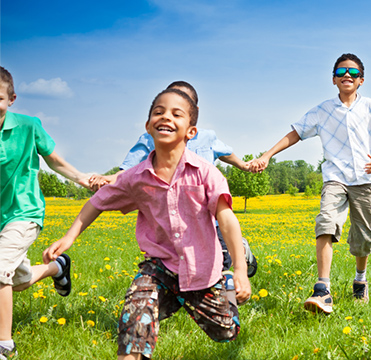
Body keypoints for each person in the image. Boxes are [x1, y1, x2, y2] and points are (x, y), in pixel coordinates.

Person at [43, 89, 251, 360]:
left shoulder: (206, 173)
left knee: (225, 331)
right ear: (148, 126)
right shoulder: (134, 178)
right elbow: (98, 201)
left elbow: (226, 219)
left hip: (203, 270)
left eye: (177, 114)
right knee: (135, 319)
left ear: (191, 131)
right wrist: (69, 237)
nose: (166, 117)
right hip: (159, 268)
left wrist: (239, 269)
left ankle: (227, 282)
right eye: (159, 112)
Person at [249, 53, 371, 314]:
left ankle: (360, 280)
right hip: (335, 177)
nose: (346, 75)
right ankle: (323, 289)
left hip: (364, 179)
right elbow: (295, 133)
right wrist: (267, 155)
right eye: (340, 72)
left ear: (361, 79)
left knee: (363, 236)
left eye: (352, 72)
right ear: (333, 79)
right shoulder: (322, 111)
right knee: (326, 221)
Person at [88, 81, 258, 278]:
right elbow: (128, 170)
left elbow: (225, 153)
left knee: (219, 267)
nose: (169, 115)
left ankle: (238, 253)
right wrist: (107, 179)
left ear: (194, 111)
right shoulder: (151, 137)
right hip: (173, 222)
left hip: (210, 220)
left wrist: (244, 165)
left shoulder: (207, 137)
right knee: (175, 271)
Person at [0, 66, 92, 360]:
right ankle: (58, 268)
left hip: (23, 212)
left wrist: (82, 178)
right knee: (17, 280)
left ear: (11, 98)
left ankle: (4, 345)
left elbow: (53, 160)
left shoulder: (28, 126)